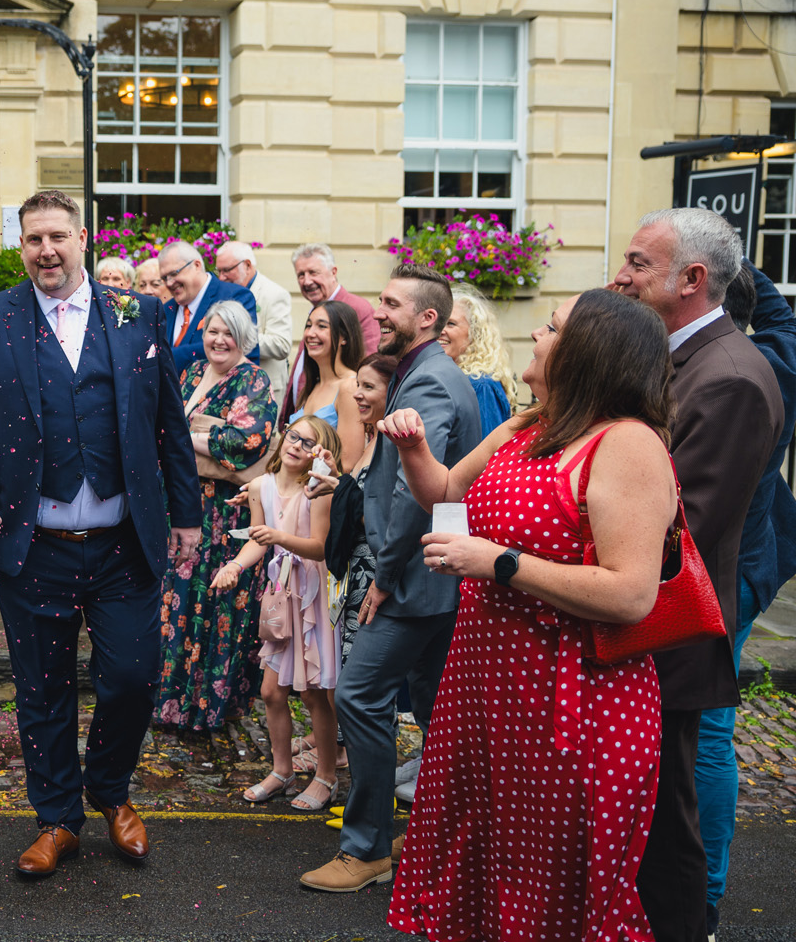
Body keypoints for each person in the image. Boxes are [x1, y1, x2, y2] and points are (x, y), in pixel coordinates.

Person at [381, 289, 678, 941]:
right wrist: (413, 448)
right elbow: (445, 492)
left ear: (588, 353)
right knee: (486, 856)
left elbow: (632, 593)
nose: (537, 336)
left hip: (570, 696)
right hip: (490, 684)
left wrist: (500, 562)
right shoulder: (528, 424)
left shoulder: (628, 445)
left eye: (550, 327)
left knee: (550, 878)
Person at [0, 190, 201, 879]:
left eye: (58, 236)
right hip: (34, 547)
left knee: (131, 676)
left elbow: (168, 426)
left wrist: (187, 517)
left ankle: (111, 790)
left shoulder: (139, 312)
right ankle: (57, 817)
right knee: (41, 687)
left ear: (83, 237)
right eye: (34, 239)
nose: (46, 250)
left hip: (125, 542)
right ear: (21, 245)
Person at [611, 208, 782, 942]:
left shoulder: (733, 377)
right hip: (643, 627)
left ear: (693, 278)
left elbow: (685, 526)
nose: (621, 275)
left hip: (669, 635)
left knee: (664, 823)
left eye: (638, 264)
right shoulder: (675, 358)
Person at [301, 263, 481, 893]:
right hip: (433, 577)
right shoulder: (426, 374)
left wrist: (383, 576)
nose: (378, 313)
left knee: (358, 695)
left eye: (391, 304)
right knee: (436, 707)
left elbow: (413, 494)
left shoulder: (429, 382)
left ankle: (368, 846)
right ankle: (442, 836)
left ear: (426, 318)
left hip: (412, 577)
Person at [697, 262, 796, 932]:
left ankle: (705, 887)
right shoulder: (776, 354)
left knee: (707, 728)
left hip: (729, 571)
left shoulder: (735, 374)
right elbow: (784, 317)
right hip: (755, 560)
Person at [154, 299, 276, 733]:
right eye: (212, 331)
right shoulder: (189, 374)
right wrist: (199, 433)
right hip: (182, 504)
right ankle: (170, 702)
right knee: (176, 602)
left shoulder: (253, 379)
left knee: (214, 605)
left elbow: (248, 441)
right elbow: (163, 426)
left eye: (229, 333)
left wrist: (189, 436)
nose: (219, 340)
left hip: (225, 514)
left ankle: (206, 708)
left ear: (243, 337)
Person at [222, 414, 342, 811]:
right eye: (294, 437)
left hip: (311, 597)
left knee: (312, 694)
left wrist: (279, 537)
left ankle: (326, 775)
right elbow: (257, 541)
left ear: (319, 454)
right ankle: (282, 770)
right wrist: (236, 566)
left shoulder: (318, 490)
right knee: (271, 690)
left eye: (309, 443)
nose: (297, 446)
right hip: (281, 595)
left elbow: (319, 548)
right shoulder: (260, 486)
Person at [321, 354, 397, 671]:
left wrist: (344, 495)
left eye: (368, 386)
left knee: (359, 685)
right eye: (357, 385)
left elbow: (387, 518)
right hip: (355, 573)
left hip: (374, 576)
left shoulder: (393, 442)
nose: (357, 394)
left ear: (393, 390)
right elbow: (362, 498)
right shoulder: (372, 434)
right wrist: (335, 478)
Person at [286, 243, 380, 407]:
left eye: (313, 272)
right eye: (301, 275)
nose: (307, 281)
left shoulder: (357, 308)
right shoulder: (316, 309)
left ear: (333, 272)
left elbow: (371, 366)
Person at [282, 300, 366, 466]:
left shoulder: (350, 387)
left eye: (321, 326)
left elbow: (348, 465)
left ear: (344, 337)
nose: (310, 333)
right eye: (308, 325)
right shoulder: (312, 386)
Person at [159, 240, 259, 379]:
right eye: (164, 278)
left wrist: (163, 357)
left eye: (174, 274)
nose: (169, 283)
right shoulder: (166, 310)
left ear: (197, 265)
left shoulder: (234, 296)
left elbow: (243, 349)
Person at [214, 241, 293, 393]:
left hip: (263, 388)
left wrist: (237, 338)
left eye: (226, 270)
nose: (221, 278)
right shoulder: (224, 292)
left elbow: (281, 344)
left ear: (247, 265)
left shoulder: (274, 294)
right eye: (218, 271)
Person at [438, 282, 516, 433]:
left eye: (451, 324)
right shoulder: (446, 377)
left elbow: (488, 449)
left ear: (475, 333)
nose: (440, 330)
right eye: (439, 323)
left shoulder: (480, 385)